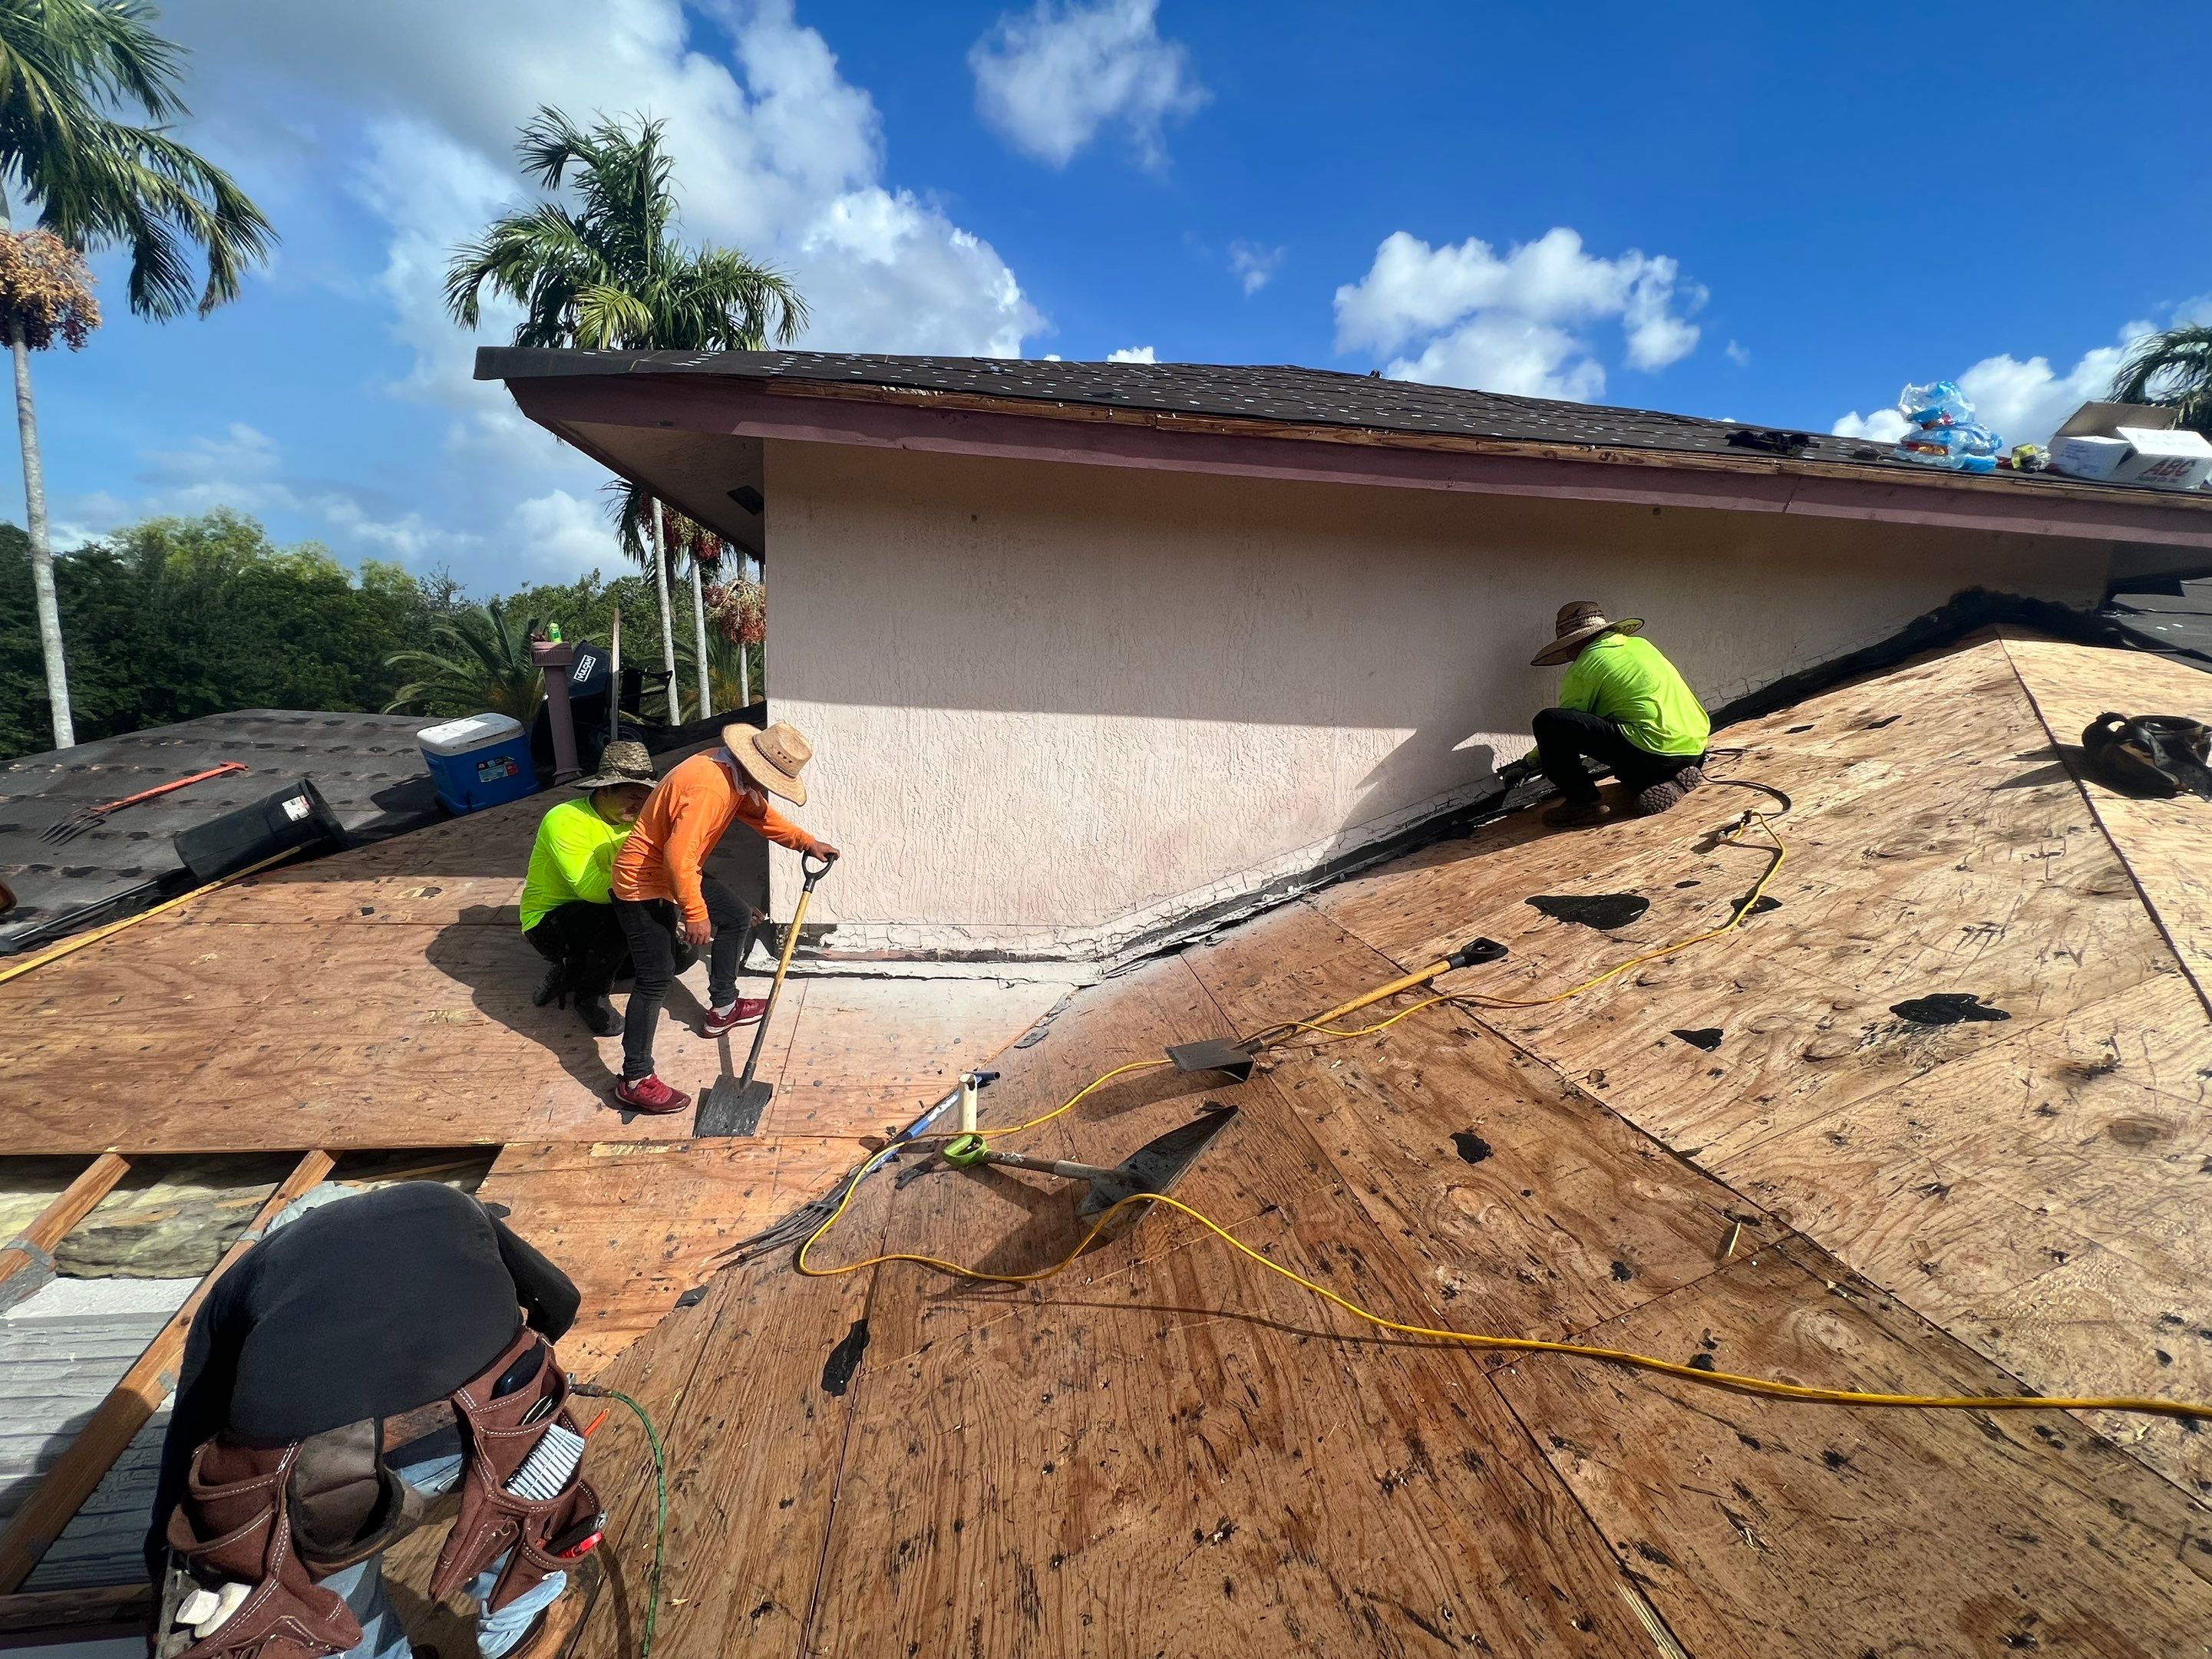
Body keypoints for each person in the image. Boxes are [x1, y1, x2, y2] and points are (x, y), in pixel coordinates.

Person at [150, 1182, 591, 1659]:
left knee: (330, 1591)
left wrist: (167, 1560)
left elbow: (189, 1438)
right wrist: (513, 1354)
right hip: (496, 1422)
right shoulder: (443, 1201)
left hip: (326, 1477)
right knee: (521, 1491)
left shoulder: (242, 1279)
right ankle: (513, 1627)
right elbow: (559, 1300)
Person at [607, 720, 838, 1115]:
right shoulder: (710, 787)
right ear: (756, 764)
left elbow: (762, 817)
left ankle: (724, 1008)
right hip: (644, 881)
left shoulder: (732, 773)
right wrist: (695, 913)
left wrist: (807, 842)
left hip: (676, 872)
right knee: (655, 977)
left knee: (734, 916)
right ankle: (635, 1078)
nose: (769, 786)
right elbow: (678, 856)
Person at [1510, 601, 1711, 829]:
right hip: (1696, 747)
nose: (1569, 653)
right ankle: (1671, 776)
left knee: (1548, 722)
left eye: (1567, 646)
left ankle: (1583, 804)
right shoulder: (1641, 646)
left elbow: (1567, 725)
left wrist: (1529, 762)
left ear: (1577, 641)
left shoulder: (1586, 667)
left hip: (1655, 752)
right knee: (1628, 776)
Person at [519, 740, 659, 1037]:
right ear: (605, 788)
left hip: (612, 905)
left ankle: (574, 970)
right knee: (619, 920)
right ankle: (589, 995)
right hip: (551, 921)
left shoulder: (639, 819)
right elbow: (593, 890)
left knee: (676, 956)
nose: (640, 806)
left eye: (646, 798)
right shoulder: (565, 819)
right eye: (633, 797)